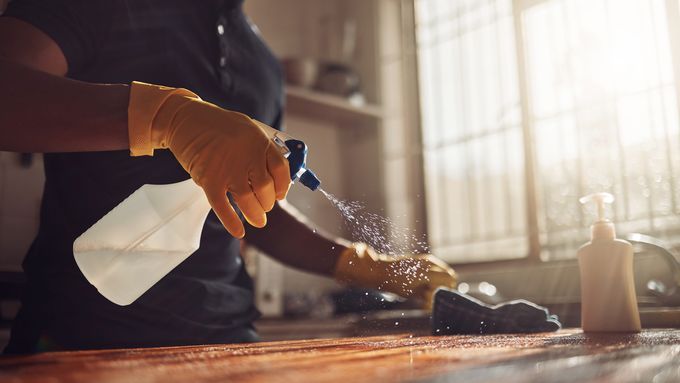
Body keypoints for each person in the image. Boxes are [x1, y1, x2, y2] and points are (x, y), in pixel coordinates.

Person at [0, 0, 457, 354]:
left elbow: (254, 205)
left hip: (226, 339)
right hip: (79, 338)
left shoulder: (261, 63)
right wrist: (165, 117)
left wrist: (366, 265)